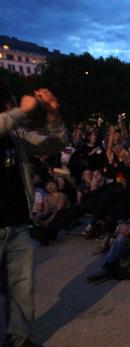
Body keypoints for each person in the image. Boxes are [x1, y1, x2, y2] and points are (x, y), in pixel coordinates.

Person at [1, 82, 63, 347]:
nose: (17, 106)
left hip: (16, 225)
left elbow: (53, 145)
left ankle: (19, 338)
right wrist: (22, 111)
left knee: (21, 289)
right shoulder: (11, 121)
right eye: (12, 103)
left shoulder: (17, 136)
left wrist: (52, 114)